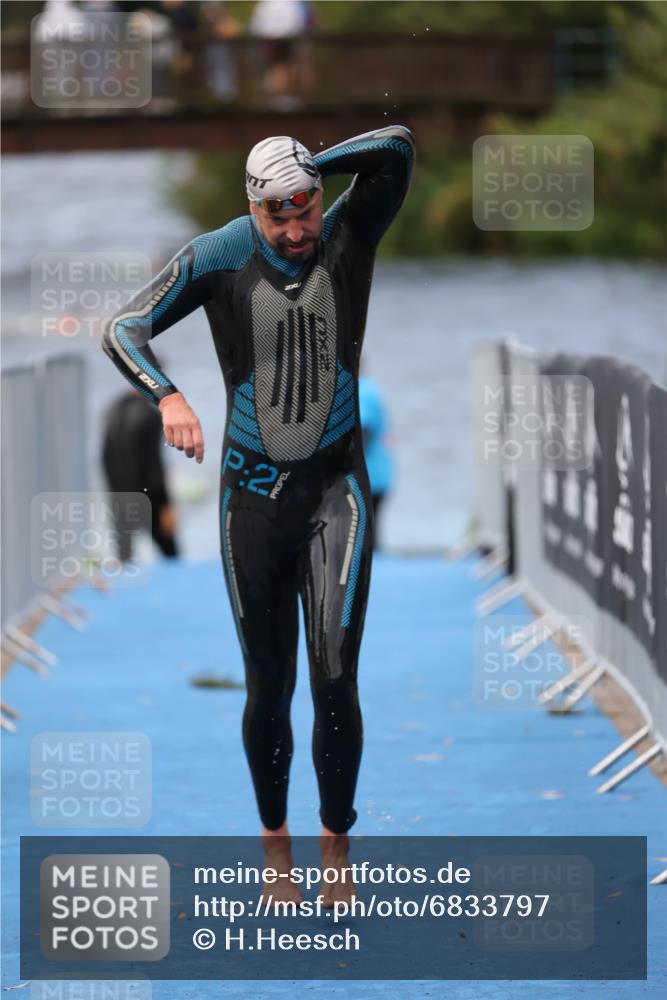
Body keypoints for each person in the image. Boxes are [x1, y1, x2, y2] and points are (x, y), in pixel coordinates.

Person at [102, 125, 415, 904]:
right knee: (268, 688)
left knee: (335, 676)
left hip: (336, 494)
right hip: (251, 503)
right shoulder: (218, 255)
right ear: (252, 207)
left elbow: (398, 149)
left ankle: (335, 842)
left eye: (304, 206)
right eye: (277, 213)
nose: (295, 228)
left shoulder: (348, 237)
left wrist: (315, 163)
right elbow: (122, 328)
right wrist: (167, 396)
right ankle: (276, 844)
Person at [101, 346, 180, 563]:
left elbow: (104, 458)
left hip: (119, 496)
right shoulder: (149, 415)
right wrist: (166, 506)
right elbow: (154, 467)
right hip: (148, 498)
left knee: (125, 559)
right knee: (171, 555)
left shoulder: (112, 409)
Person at [358, 370, 395, 549]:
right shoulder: (370, 388)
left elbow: (364, 430)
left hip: (368, 474)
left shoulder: (361, 391)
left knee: (364, 533)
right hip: (380, 472)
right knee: (371, 531)